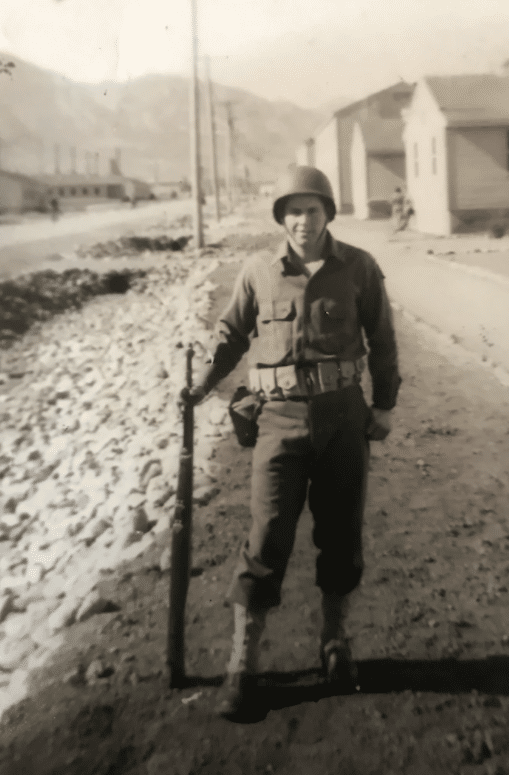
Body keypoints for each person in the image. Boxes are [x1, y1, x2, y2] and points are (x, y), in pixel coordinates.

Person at [181, 165, 401, 717]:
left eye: (314, 210)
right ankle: (243, 663)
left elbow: (382, 338)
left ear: (329, 213)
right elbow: (232, 334)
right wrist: (202, 384)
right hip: (277, 424)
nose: (304, 221)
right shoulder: (258, 271)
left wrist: (384, 405)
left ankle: (334, 642)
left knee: (341, 533)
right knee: (267, 536)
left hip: (343, 423)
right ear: (281, 217)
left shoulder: (359, 268)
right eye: (294, 211)